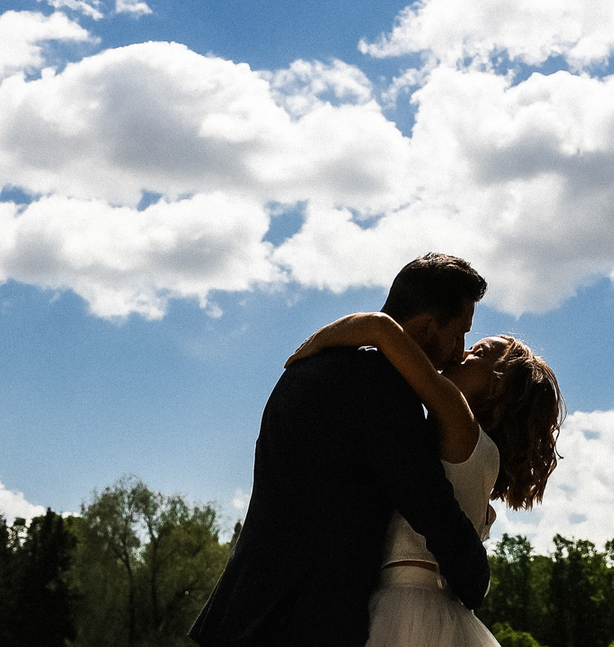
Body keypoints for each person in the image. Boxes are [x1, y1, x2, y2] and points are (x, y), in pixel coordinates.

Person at [190, 255, 494, 647]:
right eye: (459, 334)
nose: (459, 351)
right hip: (307, 621)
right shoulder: (384, 390)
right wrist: (475, 580)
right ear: (424, 325)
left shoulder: (306, 369)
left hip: (241, 612)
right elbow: (428, 500)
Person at [283, 312, 562, 647]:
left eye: (480, 353)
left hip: (407, 609)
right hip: (430, 608)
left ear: (500, 389)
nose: (462, 355)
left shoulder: (462, 425)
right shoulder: (469, 447)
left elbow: (381, 328)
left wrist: (314, 344)